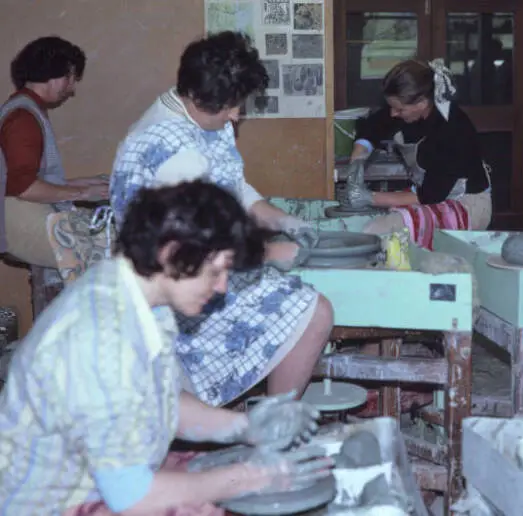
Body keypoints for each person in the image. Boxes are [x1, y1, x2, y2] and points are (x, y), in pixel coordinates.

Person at [0, 180, 331, 515]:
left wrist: (245, 427)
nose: (221, 287)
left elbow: (164, 399)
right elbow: (133, 497)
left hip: (100, 476)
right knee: (222, 491)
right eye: (215, 271)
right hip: (52, 502)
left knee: (220, 481)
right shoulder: (100, 338)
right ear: (171, 254)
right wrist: (249, 477)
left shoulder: (139, 293)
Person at [110, 31, 333, 407]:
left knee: (300, 288)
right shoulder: (168, 149)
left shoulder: (198, 113)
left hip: (202, 256)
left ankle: (265, 420)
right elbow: (194, 245)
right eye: (232, 106)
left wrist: (285, 221)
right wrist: (272, 253)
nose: (236, 115)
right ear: (198, 96)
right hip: (168, 283)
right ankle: (276, 430)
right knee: (316, 312)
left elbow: (234, 187)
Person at [343, 59, 492, 249]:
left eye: (399, 109)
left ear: (422, 103)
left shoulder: (453, 130)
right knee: (374, 220)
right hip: (432, 195)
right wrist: (359, 155)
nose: (393, 114)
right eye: (391, 107)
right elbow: (376, 126)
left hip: (467, 205)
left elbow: (430, 196)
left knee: (381, 229)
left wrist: (369, 197)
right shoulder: (409, 111)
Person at [0, 36, 109, 268]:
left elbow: (25, 179)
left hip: (18, 208)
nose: (71, 88)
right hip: (13, 219)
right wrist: (83, 192)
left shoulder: (25, 109)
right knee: (110, 252)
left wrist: (90, 183)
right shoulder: (23, 118)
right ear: (53, 73)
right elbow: (24, 188)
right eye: (70, 78)